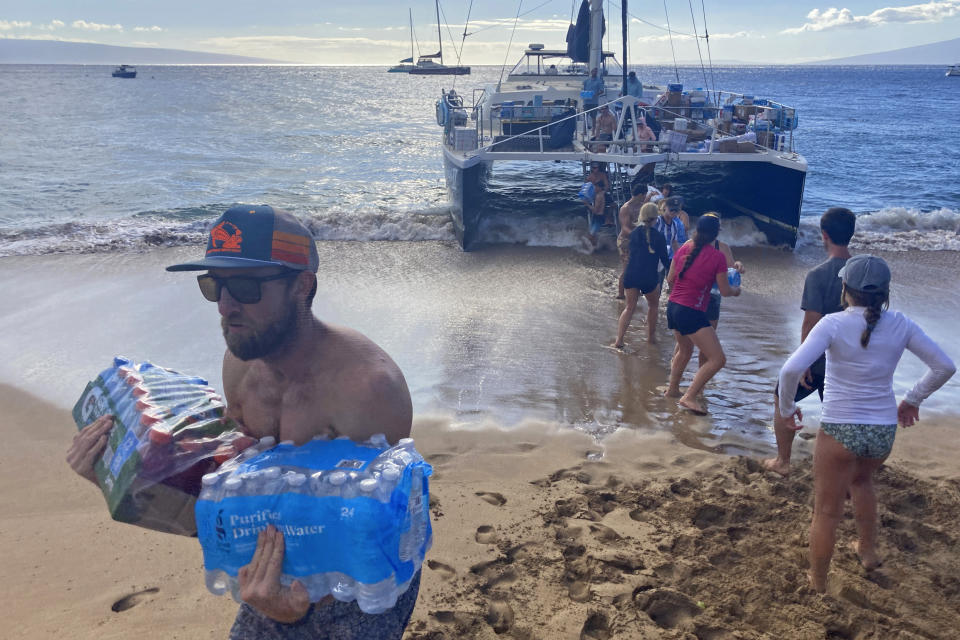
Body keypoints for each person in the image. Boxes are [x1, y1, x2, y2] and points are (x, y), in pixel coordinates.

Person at [66, 205, 420, 639]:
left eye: (246, 287)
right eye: (214, 286)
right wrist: (120, 476)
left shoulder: (367, 391)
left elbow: (373, 525)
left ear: (301, 286)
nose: (226, 306)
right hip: (271, 572)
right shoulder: (239, 365)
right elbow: (231, 495)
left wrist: (300, 611)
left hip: (360, 584)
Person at [776, 255, 955, 592]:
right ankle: (867, 552)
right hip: (881, 430)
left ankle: (816, 582)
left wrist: (787, 410)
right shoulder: (901, 323)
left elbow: (789, 371)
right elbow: (944, 366)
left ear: (845, 289)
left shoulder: (832, 323)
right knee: (862, 482)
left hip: (841, 428)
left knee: (826, 512)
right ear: (886, 293)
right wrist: (912, 400)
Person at [763, 207, 856, 477]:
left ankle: (783, 461)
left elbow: (811, 322)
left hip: (820, 360)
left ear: (824, 235)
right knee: (838, 413)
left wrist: (804, 361)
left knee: (782, 395)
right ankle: (844, 467)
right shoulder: (863, 273)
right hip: (849, 360)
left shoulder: (819, 274)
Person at [664, 214, 741, 414]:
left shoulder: (684, 249)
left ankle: (672, 390)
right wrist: (736, 291)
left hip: (673, 306)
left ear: (697, 231)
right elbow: (724, 291)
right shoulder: (717, 257)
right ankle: (689, 396)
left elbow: (670, 278)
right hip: (691, 310)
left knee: (684, 350)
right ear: (717, 234)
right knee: (717, 359)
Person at [613, 202, 670, 347]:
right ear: (656, 217)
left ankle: (619, 340)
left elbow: (630, 251)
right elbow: (665, 260)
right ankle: (650, 338)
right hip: (649, 277)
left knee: (629, 307)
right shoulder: (659, 237)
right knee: (653, 306)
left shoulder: (634, 234)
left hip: (631, 275)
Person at [616, 183, 647, 298]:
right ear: (640, 194)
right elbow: (624, 228)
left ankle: (636, 291)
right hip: (625, 241)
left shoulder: (641, 205)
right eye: (644, 195)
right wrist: (638, 235)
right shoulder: (625, 208)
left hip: (637, 239)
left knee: (638, 265)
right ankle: (620, 294)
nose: (645, 197)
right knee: (627, 267)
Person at [652, 194, 687, 290]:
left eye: (676, 210)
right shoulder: (657, 221)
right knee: (657, 285)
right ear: (665, 208)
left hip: (670, 258)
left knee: (673, 283)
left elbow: (674, 243)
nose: (674, 212)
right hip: (656, 259)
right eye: (671, 209)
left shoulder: (675, 225)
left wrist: (681, 258)